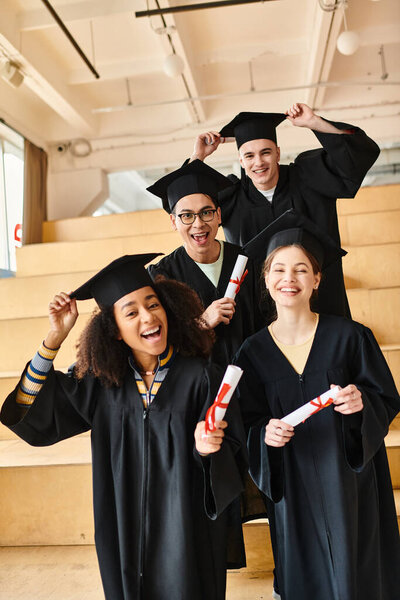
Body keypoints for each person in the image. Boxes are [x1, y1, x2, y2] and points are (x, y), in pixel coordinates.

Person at [1, 253, 248, 600]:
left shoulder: (202, 378)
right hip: (122, 527)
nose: (148, 317)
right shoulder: (101, 385)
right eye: (131, 312)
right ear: (114, 332)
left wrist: (207, 450)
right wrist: (54, 338)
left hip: (187, 530)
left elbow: (232, 455)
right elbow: (30, 411)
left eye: (153, 304)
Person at [234, 210, 400, 600]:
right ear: (266, 278)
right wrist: (264, 434)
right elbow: (248, 421)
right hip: (294, 483)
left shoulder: (351, 338)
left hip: (348, 481)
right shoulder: (252, 353)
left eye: (301, 270)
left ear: (317, 279)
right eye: (278, 270)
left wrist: (362, 404)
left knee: (356, 572)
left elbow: (386, 399)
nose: (288, 279)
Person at [189, 102, 380, 318]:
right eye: (249, 156)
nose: (259, 162)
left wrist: (314, 122)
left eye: (266, 152)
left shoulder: (309, 177)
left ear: (278, 153)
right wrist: (199, 157)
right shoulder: (230, 197)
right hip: (261, 312)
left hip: (321, 303)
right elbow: (186, 202)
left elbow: (357, 157)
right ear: (241, 161)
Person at [147, 159, 264, 368]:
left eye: (206, 212)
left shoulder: (248, 261)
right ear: (174, 222)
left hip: (253, 380)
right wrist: (201, 323)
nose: (198, 223)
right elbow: (157, 338)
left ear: (218, 215)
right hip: (198, 388)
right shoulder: (161, 276)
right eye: (187, 216)